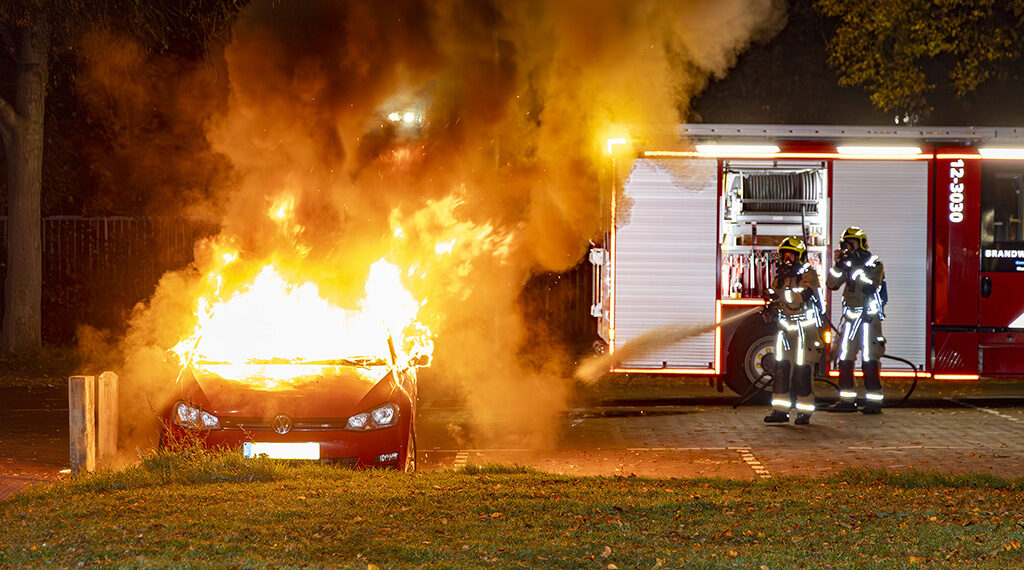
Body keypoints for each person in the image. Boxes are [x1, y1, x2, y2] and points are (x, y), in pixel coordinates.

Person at [763, 236, 824, 425]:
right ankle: (780, 410)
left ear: (800, 256)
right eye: (784, 255)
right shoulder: (780, 277)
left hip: (804, 332)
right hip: (785, 331)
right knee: (781, 369)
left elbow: (800, 297)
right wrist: (771, 304)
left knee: (802, 371)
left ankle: (804, 411)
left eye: (791, 255)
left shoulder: (809, 274)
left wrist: (778, 294)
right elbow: (775, 297)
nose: (787, 259)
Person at [826, 226, 886, 413]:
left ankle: (874, 402)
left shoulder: (873, 264)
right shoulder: (847, 263)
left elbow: (871, 285)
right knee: (844, 358)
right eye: (845, 244)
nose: (848, 247)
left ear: (860, 244)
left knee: (869, 359)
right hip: (851, 317)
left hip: (868, 318)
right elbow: (831, 284)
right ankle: (847, 400)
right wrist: (838, 266)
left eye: (851, 243)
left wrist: (855, 268)